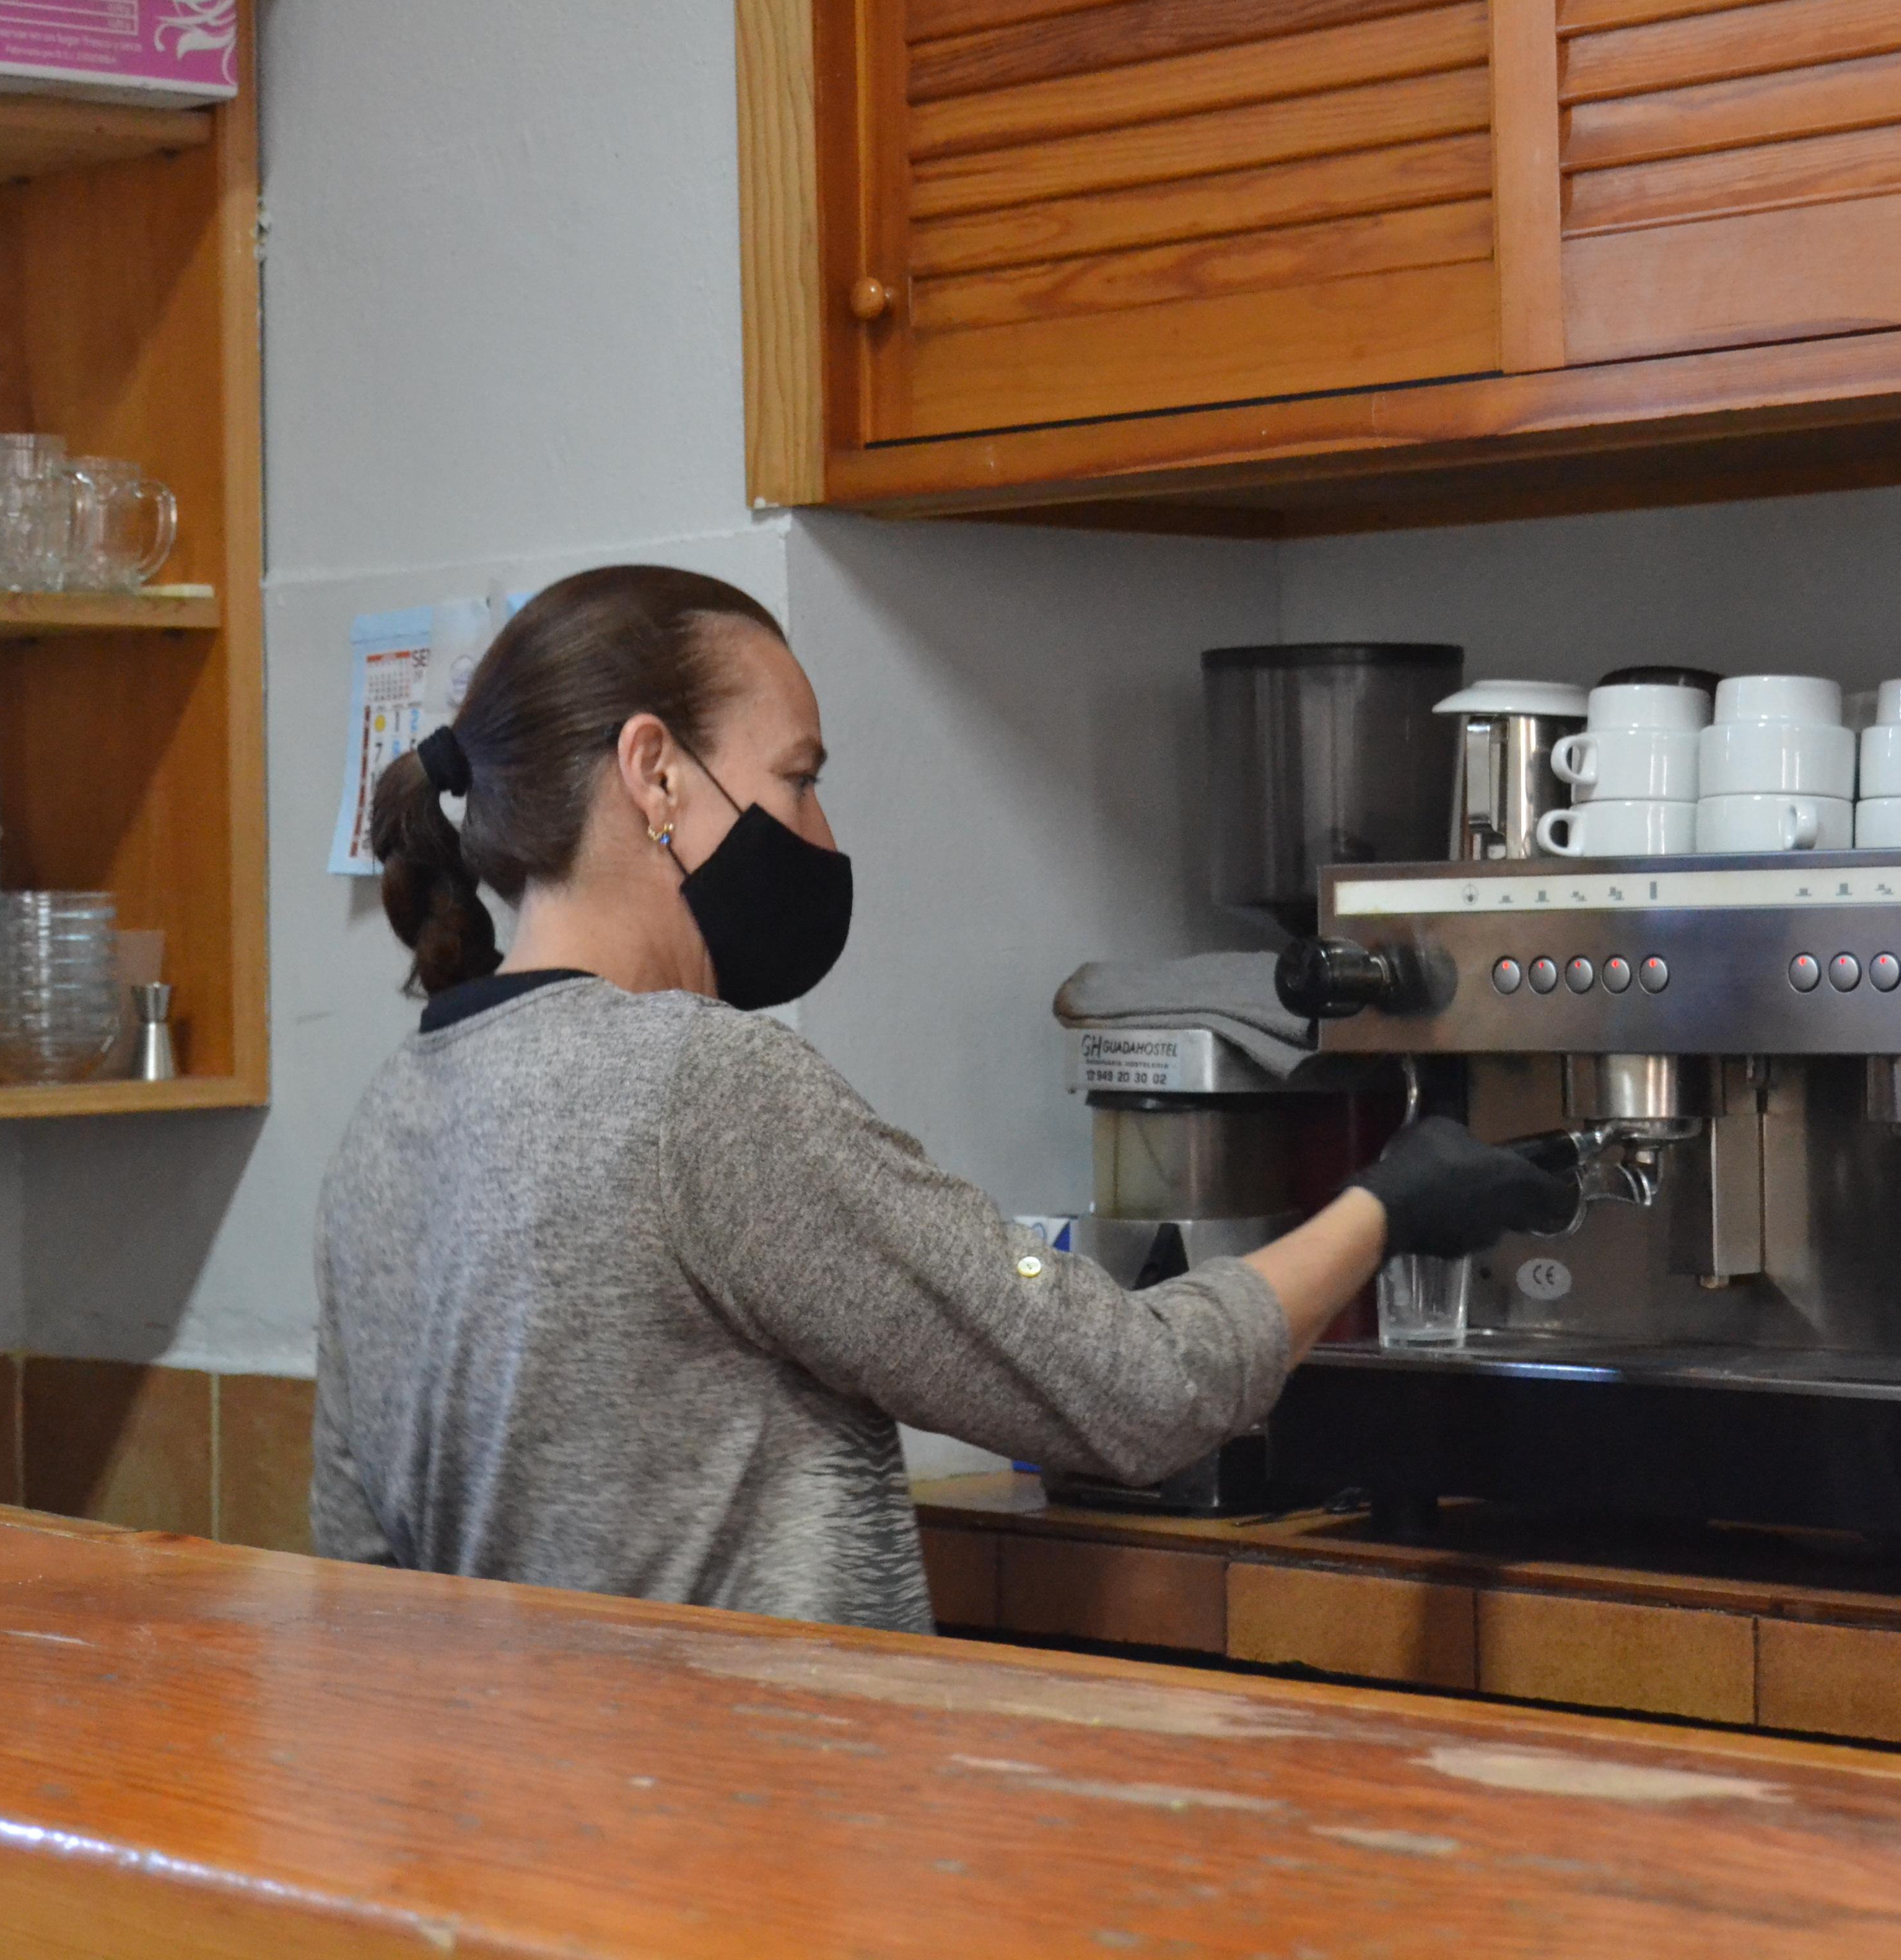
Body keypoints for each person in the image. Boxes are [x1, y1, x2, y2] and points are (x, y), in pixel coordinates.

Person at [311, 565, 1574, 1632]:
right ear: (654, 773)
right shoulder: (701, 1086)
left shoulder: (391, 1118)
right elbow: (1130, 1390)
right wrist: (1387, 1206)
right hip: (744, 1871)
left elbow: (359, 1583)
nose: (821, 826)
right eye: (800, 777)